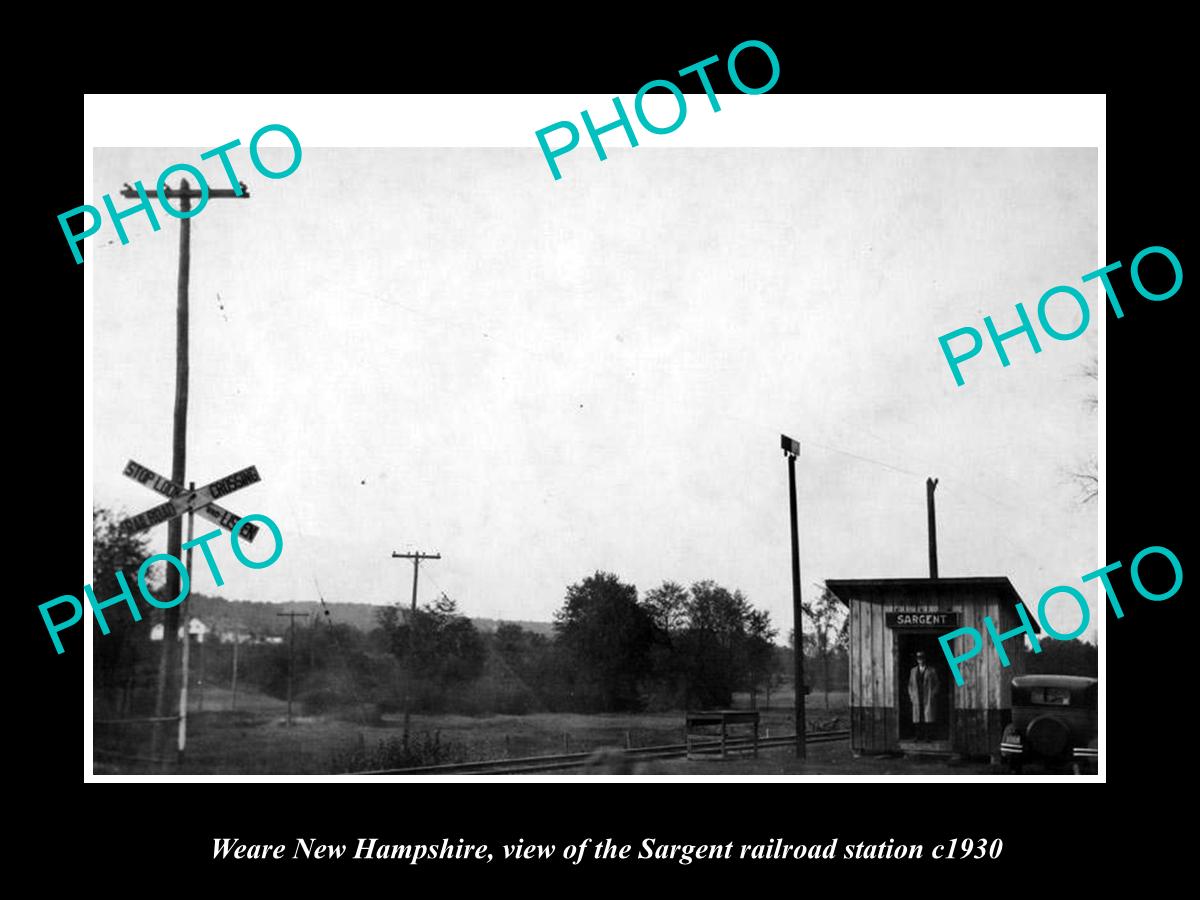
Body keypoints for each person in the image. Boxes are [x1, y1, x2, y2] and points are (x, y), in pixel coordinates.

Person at [908, 651, 940, 741]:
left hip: (928, 697)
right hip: (917, 697)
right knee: (918, 717)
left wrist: (933, 694)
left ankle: (928, 736)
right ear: (917, 659)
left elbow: (937, 684)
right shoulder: (913, 671)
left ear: (925, 659)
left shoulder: (931, 671)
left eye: (922, 658)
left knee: (927, 717)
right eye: (919, 658)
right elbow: (910, 685)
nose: (920, 660)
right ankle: (918, 736)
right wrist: (912, 696)